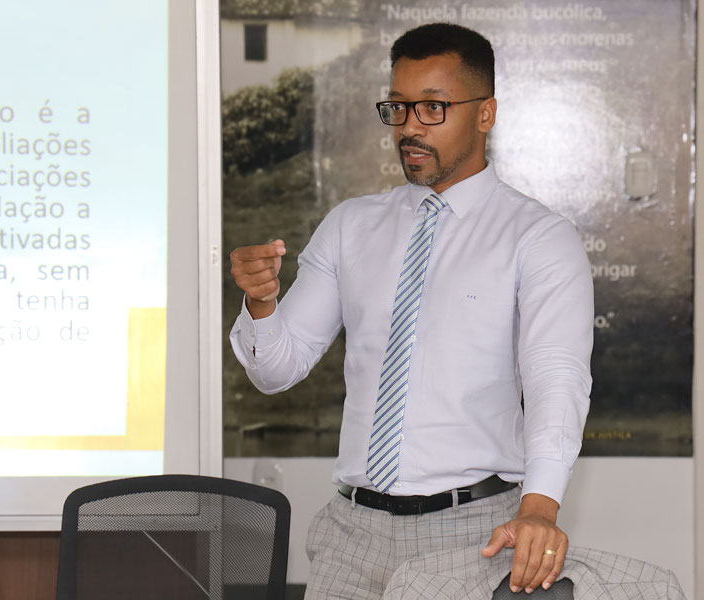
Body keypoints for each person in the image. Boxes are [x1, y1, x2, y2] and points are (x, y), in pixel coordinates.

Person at [230, 22, 593, 599]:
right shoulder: (351, 225)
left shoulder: (539, 238)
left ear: (485, 113)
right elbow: (276, 370)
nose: (410, 128)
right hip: (349, 536)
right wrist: (262, 304)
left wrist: (540, 507)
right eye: (398, 108)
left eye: (433, 107)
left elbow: (557, 377)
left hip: (471, 535)